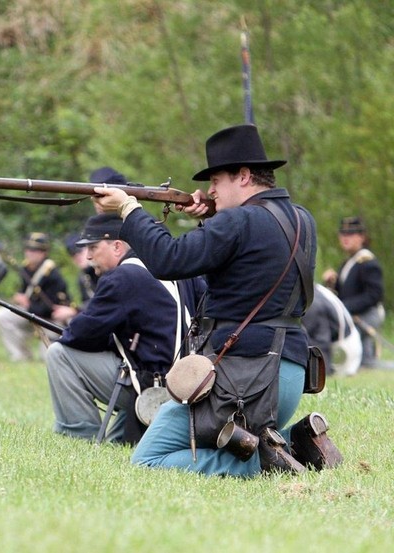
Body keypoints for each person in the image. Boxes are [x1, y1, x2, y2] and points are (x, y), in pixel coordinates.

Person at [93, 124, 341, 476]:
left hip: (245, 378)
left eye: (216, 180)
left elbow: (169, 260)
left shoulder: (238, 222)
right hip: (288, 374)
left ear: (243, 176)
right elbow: (244, 267)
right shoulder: (303, 219)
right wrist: (213, 217)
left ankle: (271, 462)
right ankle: (299, 441)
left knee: (148, 460)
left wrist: (130, 211)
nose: (210, 190)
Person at [45, 214, 204, 444]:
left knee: (59, 354)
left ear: (117, 246)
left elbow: (81, 334)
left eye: (93, 247)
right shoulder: (171, 266)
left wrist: (75, 332)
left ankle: (79, 436)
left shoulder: (122, 276)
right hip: (188, 381)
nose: (88, 256)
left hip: (154, 388)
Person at [0, 232, 70, 362]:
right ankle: (20, 355)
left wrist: (28, 305)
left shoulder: (52, 274)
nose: (30, 253)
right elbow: (25, 294)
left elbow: (52, 308)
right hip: (32, 314)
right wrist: (20, 299)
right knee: (1, 316)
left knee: (47, 357)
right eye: (28, 249)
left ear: (44, 252)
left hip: (49, 320)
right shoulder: (26, 269)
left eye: (35, 250)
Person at [322, 216, 385, 368]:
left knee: (364, 363)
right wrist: (333, 283)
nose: (346, 238)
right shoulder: (350, 261)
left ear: (362, 237)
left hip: (365, 317)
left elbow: (374, 295)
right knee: (365, 363)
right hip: (354, 315)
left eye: (351, 234)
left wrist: (344, 308)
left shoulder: (368, 262)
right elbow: (347, 291)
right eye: (343, 234)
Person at [303, 283, 362, 376]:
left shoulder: (313, 301)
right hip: (348, 341)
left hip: (343, 350)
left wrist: (320, 373)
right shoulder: (312, 289)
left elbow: (320, 341)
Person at [51, 233, 99, 325]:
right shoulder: (83, 279)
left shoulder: (103, 270)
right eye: (73, 255)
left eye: (80, 252)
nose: (77, 257)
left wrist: (74, 310)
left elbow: (105, 301)